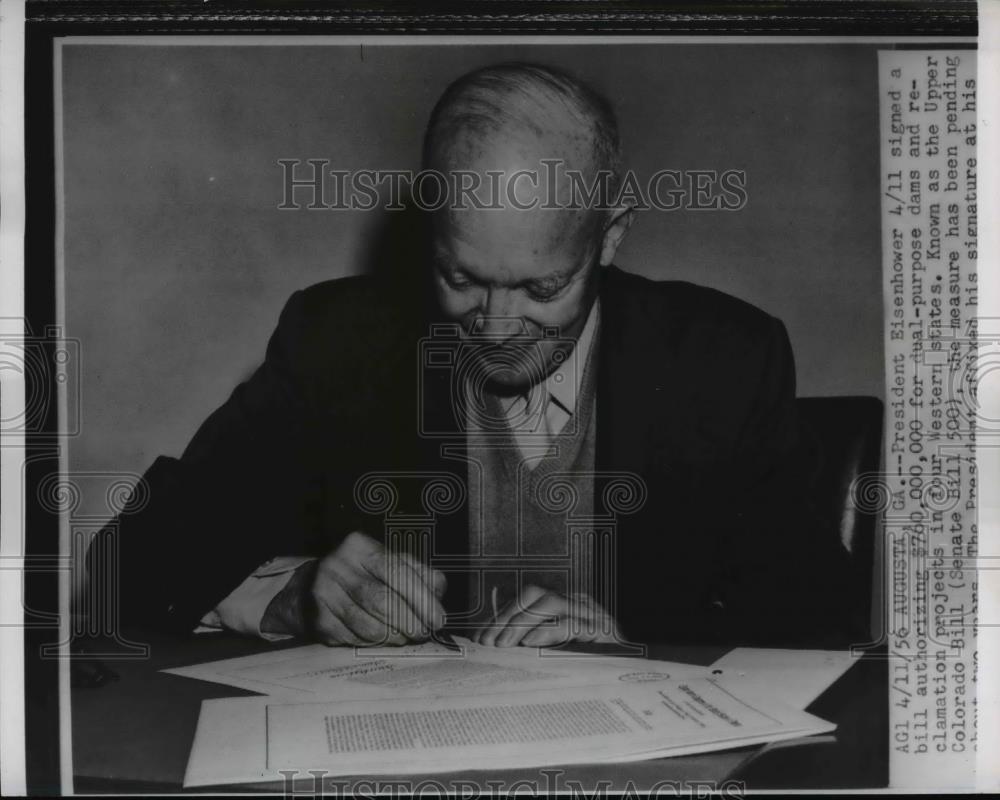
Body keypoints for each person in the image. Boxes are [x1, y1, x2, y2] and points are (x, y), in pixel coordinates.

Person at [86, 62, 856, 649]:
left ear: (611, 234)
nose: (496, 328)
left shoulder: (723, 361)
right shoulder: (338, 341)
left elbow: (818, 609)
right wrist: (294, 597)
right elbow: (132, 560)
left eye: (541, 288)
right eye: (461, 279)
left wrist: (641, 647)